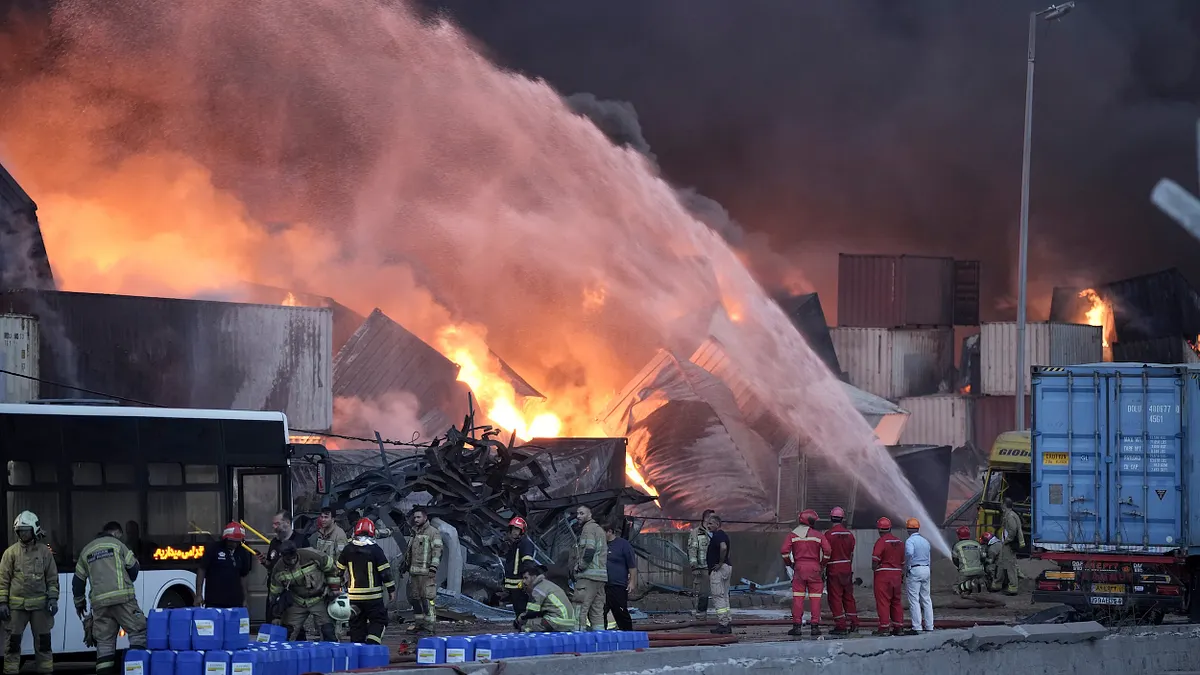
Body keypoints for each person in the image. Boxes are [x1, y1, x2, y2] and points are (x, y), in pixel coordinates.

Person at [73, 522, 147, 675]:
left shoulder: (87, 550)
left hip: (100, 605)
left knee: (104, 643)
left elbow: (78, 581)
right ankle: (136, 670)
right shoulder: (118, 545)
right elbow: (134, 568)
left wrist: (79, 603)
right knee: (138, 632)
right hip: (123, 601)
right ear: (116, 533)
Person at [0, 511, 57, 674]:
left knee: (44, 643)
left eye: (26, 530)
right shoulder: (10, 553)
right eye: (20, 531)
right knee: (12, 644)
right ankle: (10, 672)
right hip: (16, 608)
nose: (23, 534)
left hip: (40, 607)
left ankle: (45, 671)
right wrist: (2, 602)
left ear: (34, 530)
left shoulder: (44, 552)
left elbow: (52, 578)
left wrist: (53, 599)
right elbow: (3, 580)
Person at [268, 541, 341, 641]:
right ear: (283, 557)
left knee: (328, 631)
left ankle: (329, 649)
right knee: (287, 632)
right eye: (288, 559)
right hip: (297, 601)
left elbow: (332, 569)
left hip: (320, 598)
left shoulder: (312, 555)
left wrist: (334, 589)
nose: (292, 562)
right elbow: (275, 593)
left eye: (293, 558)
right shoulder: (278, 569)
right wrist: (276, 614)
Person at [338, 517, 395, 645]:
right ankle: (371, 645)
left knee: (356, 625)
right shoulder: (376, 550)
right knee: (378, 621)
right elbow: (385, 572)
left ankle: (357, 651)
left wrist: (338, 587)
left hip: (354, 597)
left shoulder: (348, 549)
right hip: (373, 597)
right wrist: (391, 589)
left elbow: (338, 571)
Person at [781, 509, 831, 637]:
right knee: (815, 599)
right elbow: (827, 551)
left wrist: (790, 564)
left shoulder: (793, 535)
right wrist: (822, 565)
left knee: (798, 598)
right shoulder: (818, 535)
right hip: (815, 568)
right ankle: (815, 627)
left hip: (799, 569)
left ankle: (797, 627)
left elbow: (784, 551)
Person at [403, 507, 443, 634]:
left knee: (428, 600)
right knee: (415, 600)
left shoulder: (433, 532)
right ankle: (419, 624)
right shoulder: (414, 532)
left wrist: (433, 568)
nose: (416, 519)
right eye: (415, 517)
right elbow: (410, 552)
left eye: (418, 517)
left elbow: (437, 551)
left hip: (427, 574)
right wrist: (405, 565)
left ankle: (429, 627)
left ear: (425, 518)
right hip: (414, 573)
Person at [195, 522, 253, 609]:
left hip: (235, 602)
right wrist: (198, 595)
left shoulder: (242, 552)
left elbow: (244, 576)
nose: (234, 544)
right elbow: (202, 570)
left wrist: (245, 599)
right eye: (232, 541)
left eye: (237, 542)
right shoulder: (213, 548)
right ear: (225, 538)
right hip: (214, 601)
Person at [571, 505, 608, 631]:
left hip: (587, 577)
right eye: (577, 513)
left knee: (579, 609)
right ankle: (600, 638)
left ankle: (578, 637)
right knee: (597, 612)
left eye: (582, 513)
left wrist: (580, 567)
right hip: (600, 578)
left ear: (590, 515)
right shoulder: (600, 530)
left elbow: (589, 551)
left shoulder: (588, 529)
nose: (578, 516)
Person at [870, 517, 908, 637]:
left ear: (879, 529)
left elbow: (875, 560)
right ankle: (899, 627)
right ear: (890, 528)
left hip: (883, 576)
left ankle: (884, 627)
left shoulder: (881, 542)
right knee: (896, 601)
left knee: (883, 602)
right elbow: (902, 561)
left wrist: (875, 568)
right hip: (897, 575)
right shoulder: (899, 542)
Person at [824, 506, 859, 635]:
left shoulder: (828, 535)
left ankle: (841, 625)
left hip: (834, 569)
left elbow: (826, 554)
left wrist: (822, 569)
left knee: (835, 598)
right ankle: (854, 623)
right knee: (848, 597)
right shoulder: (849, 535)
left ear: (831, 518)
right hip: (847, 568)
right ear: (842, 519)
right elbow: (851, 554)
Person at [515, 561, 575, 632]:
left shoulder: (538, 589)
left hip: (557, 622)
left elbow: (531, 612)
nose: (524, 581)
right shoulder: (547, 584)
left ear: (534, 576)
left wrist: (518, 619)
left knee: (525, 624)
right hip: (569, 622)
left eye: (526, 578)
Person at [603, 521, 637, 631]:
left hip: (618, 585)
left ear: (609, 532)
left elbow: (632, 565)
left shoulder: (623, 545)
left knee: (620, 611)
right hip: (602, 585)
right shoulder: (601, 545)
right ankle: (602, 634)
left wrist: (632, 581)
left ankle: (628, 633)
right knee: (601, 612)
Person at [503, 516, 536, 629]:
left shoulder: (525, 544)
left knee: (522, 610)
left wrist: (526, 581)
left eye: (517, 529)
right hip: (513, 586)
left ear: (522, 531)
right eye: (513, 529)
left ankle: (525, 631)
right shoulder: (514, 544)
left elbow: (528, 564)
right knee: (518, 611)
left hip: (520, 585)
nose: (514, 532)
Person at [903, 518, 933, 633]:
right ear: (918, 528)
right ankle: (929, 626)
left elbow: (909, 553)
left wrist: (908, 566)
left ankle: (917, 627)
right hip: (926, 569)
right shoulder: (925, 541)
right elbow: (929, 557)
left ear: (908, 529)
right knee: (926, 599)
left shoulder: (910, 541)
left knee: (914, 599)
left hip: (915, 570)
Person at [706, 513, 733, 635]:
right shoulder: (723, 535)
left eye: (710, 523)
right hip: (727, 568)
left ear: (717, 524)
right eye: (707, 523)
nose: (708, 526)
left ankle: (723, 623)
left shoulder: (718, 535)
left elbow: (723, 548)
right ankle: (727, 621)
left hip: (718, 570)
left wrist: (720, 563)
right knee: (725, 596)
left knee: (718, 596)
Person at [686, 509, 715, 621]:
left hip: (715, 567)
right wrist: (694, 566)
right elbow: (692, 549)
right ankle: (701, 614)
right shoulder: (696, 533)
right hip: (703, 567)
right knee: (704, 592)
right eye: (713, 518)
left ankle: (722, 616)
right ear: (706, 518)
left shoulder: (715, 532)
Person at [994, 498, 1024, 595]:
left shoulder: (1010, 516)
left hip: (1009, 545)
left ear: (1004, 505)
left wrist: (1008, 540)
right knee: (1001, 563)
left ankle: (1013, 587)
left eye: (1002, 504)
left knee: (1010, 565)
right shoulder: (1010, 515)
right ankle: (998, 583)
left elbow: (1013, 530)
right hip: (1006, 544)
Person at [951, 526, 986, 596]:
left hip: (965, 572)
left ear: (959, 535)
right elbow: (983, 557)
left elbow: (955, 560)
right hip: (979, 571)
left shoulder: (957, 545)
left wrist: (960, 567)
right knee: (979, 578)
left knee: (956, 588)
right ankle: (980, 583)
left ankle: (970, 584)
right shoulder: (976, 544)